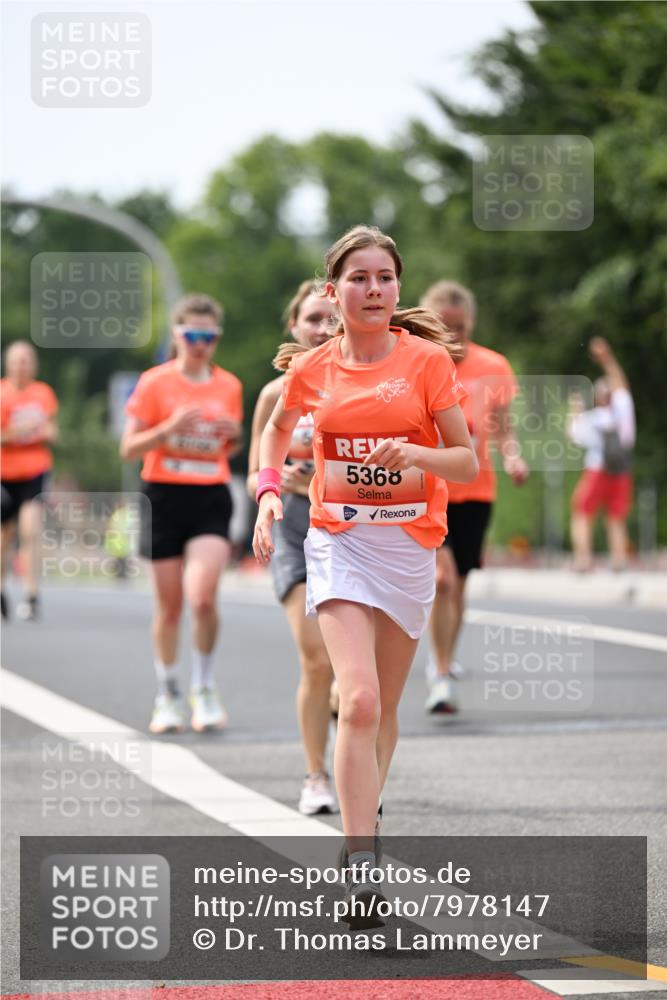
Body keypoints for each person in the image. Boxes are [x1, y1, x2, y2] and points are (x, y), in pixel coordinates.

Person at [253, 226, 477, 926]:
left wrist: (416, 455)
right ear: (334, 290)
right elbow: (274, 430)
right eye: (358, 278)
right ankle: (360, 863)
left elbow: (465, 460)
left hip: (407, 546)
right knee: (358, 702)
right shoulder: (313, 368)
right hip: (338, 541)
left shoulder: (426, 363)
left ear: (396, 287)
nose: (373, 289)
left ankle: (364, 811)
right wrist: (267, 494)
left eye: (384, 277)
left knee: (385, 706)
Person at [120, 293, 242, 734]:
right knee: (170, 608)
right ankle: (168, 693)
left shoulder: (229, 386)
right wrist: (168, 429)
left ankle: (204, 687)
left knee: (203, 598)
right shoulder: (155, 383)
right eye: (192, 335)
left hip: (209, 497)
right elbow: (129, 447)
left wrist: (233, 434)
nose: (200, 344)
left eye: (209, 336)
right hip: (164, 497)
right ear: (176, 335)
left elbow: (231, 445)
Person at [247, 281, 339, 815]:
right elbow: (254, 472)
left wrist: (325, 480)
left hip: (346, 525)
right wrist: (275, 487)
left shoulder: (359, 385)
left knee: (347, 668)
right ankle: (315, 775)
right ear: (293, 325)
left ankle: (340, 712)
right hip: (290, 526)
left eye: (331, 319)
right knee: (316, 657)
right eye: (312, 319)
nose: (323, 328)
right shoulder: (273, 394)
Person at [419, 281, 528, 715]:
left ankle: (443, 656)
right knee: (441, 580)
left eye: (460, 327)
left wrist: (513, 457)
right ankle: (441, 674)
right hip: (429, 489)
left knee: (460, 583)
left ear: (472, 324)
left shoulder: (493, 366)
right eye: (444, 327)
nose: (454, 336)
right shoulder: (417, 363)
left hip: (477, 489)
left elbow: (502, 426)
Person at [1, 340, 59, 621]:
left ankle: (32, 594)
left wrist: (46, 432)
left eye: (27, 361)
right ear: (8, 364)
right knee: (5, 534)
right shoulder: (2, 394)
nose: (22, 366)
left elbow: (51, 431)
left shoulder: (43, 393)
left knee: (30, 530)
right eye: (17, 361)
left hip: (35, 472)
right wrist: (23, 429)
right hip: (4, 474)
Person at [567, 336, 635, 572]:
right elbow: (620, 382)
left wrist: (574, 409)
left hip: (597, 469)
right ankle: (618, 560)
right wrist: (607, 358)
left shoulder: (592, 418)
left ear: (598, 397)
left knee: (582, 512)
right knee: (616, 516)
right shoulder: (623, 410)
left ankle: (583, 560)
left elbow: (572, 434)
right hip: (621, 468)